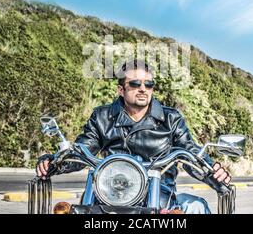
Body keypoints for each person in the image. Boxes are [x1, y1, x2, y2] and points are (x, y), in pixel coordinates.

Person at [37, 59, 231, 213]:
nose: (143, 88)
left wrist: (212, 172)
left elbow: (190, 151)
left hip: (159, 191)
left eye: (149, 84)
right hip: (110, 191)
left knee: (196, 207)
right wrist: (53, 162)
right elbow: (83, 148)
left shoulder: (170, 118)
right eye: (135, 83)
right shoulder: (102, 116)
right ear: (121, 89)